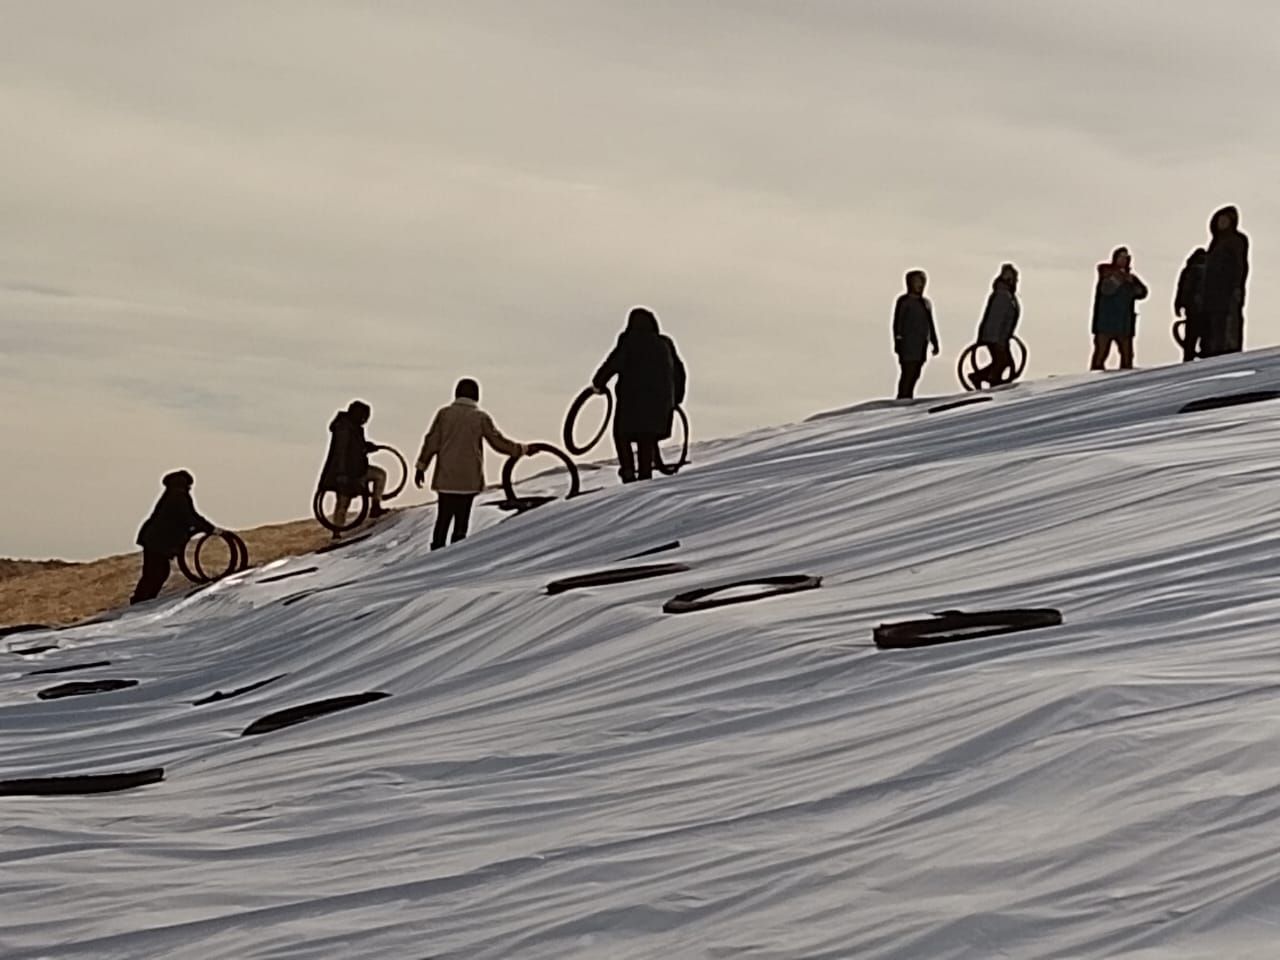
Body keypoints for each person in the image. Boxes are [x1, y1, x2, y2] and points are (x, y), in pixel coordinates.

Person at [414, 378, 526, 549]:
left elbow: (431, 442)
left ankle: (435, 555)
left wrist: (422, 466)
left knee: (442, 520)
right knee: (462, 521)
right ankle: (456, 555)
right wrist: (521, 450)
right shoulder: (480, 417)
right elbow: (498, 442)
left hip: (446, 478)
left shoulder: (444, 414)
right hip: (468, 480)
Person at [591, 307, 687, 483]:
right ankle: (644, 476)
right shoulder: (665, 343)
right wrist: (676, 400)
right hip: (660, 407)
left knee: (622, 436)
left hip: (631, 404)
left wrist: (598, 383)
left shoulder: (629, 341)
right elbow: (679, 372)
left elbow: (613, 363)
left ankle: (628, 472)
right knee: (647, 439)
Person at [130, 470, 217, 604]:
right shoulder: (179, 496)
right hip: (158, 541)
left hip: (155, 539)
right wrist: (208, 528)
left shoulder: (172, 494)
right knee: (156, 573)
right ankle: (141, 601)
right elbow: (189, 517)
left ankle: (143, 600)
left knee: (156, 572)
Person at [317, 400, 387, 528]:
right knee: (343, 501)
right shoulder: (344, 428)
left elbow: (356, 447)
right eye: (364, 416)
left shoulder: (352, 427)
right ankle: (337, 531)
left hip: (357, 470)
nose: (365, 420)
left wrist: (367, 446)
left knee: (380, 475)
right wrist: (342, 473)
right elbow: (341, 451)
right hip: (347, 472)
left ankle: (375, 506)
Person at [1202, 206, 1250, 356]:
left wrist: (1237, 287)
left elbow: (1240, 265)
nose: (1222, 223)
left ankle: (1228, 350)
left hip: (1228, 290)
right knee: (1214, 324)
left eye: (1225, 220)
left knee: (1228, 323)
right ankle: (1214, 349)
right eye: (1220, 220)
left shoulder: (1237, 240)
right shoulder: (1215, 243)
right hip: (1212, 293)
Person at [1090, 247, 1148, 371]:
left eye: (1126, 258)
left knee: (1127, 357)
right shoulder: (1107, 274)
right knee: (1100, 355)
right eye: (1121, 257)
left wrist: (1131, 283)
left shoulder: (1130, 278)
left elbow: (1142, 292)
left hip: (1124, 323)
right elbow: (1106, 290)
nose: (1123, 260)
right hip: (1106, 323)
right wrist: (1119, 279)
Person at [969, 263, 1021, 389]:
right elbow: (996, 319)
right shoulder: (1002, 295)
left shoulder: (1006, 295)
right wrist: (999, 340)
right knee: (1002, 361)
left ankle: (985, 377)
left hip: (1000, 336)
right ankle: (988, 378)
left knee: (1003, 361)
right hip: (996, 337)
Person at [892, 270, 939, 399]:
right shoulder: (904, 302)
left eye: (922, 281)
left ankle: (908, 394)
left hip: (921, 344)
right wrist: (898, 340)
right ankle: (903, 396)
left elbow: (931, 323)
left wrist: (934, 341)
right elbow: (898, 323)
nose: (920, 285)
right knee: (908, 371)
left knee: (916, 371)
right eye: (917, 282)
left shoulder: (925, 303)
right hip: (908, 344)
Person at [1174, 247, 1208, 362]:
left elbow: (1182, 289)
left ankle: (1189, 358)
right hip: (1204, 309)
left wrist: (1179, 304)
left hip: (1193, 308)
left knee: (1191, 337)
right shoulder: (1208, 269)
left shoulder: (1189, 270)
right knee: (1204, 337)